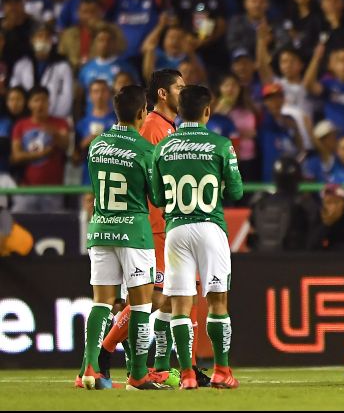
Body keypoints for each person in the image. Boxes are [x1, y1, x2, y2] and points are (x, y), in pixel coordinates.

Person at [98, 69, 209, 387]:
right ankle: (106, 351)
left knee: (183, 296)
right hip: (154, 226)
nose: (183, 92)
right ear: (163, 94)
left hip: (172, 224)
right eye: (179, 87)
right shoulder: (151, 128)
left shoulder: (170, 128)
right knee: (156, 299)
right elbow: (139, 171)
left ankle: (176, 367)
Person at [79, 84, 172, 391]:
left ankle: (90, 369)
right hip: (134, 233)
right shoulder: (146, 150)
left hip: (102, 228)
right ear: (142, 113)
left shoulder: (96, 144)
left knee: (101, 303)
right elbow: (157, 197)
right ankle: (138, 375)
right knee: (142, 305)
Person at [152, 84, 243, 389]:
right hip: (210, 227)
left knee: (179, 304)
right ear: (208, 111)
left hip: (176, 229)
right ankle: (221, 370)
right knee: (217, 301)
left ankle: (188, 375)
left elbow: (156, 195)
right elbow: (236, 191)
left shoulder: (163, 147)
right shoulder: (221, 144)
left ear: (178, 110)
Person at [10, 86, 70, 213]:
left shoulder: (61, 123)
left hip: (53, 190)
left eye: (44, 100)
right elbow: (16, 156)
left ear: (49, 102)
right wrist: (41, 154)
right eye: (36, 100)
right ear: (29, 104)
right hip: (26, 189)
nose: (40, 104)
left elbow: (66, 145)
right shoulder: (20, 125)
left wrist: (54, 132)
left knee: (55, 229)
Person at [249, 156, 318, 252]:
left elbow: (252, 227)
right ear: (297, 178)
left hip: (261, 260)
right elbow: (315, 234)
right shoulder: (302, 203)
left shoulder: (259, 200)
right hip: (291, 262)